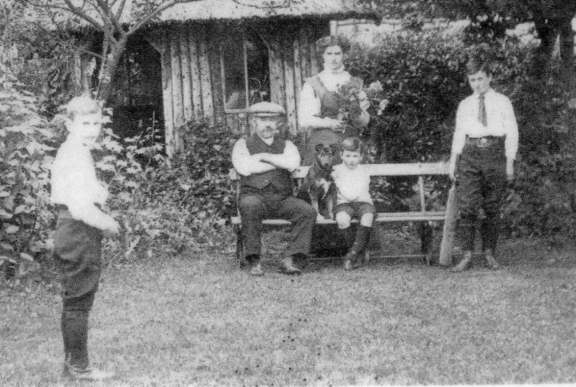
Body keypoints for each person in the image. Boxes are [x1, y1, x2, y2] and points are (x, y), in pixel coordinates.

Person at [51, 94, 120, 381]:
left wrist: (98, 193)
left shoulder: (75, 151)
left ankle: (73, 365)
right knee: (78, 301)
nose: (92, 129)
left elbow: (81, 192)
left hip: (72, 229)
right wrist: (108, 223)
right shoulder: (75, 154)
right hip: (77, 231)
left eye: (96, 123)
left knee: (76, 300)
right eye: (85, 123)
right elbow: (80, 207)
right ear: (70, 124)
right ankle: (79, 367)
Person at [448, 58, 518, 272]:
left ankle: (489, 253)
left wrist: (509, 162)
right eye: (472, 80)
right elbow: (459, 135)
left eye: (480, 78)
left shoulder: (503, 101)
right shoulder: (465, 104)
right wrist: (453, 163)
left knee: (492, 207)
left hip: (495, 154)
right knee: (467, 206)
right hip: (470, 154)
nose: (476, 84)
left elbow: (512, 132)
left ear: (489, 77)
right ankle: (467, 255)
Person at [231, 101, 316, 276]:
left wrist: (263, 157)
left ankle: (291, 259)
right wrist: (278, 162)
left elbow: (292, 164)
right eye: (262, 119)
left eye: (272, 119)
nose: (267, 124)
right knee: (249, 206)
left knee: (307, 211)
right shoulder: (242, 145)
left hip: (282, 199)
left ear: (278, 123)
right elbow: (245, 168)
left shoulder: (288, 145)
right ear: (254, 122)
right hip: (254, 196)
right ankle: (254, 261)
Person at [298, 35, 370, 165]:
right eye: (329, 53)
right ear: (323, 56)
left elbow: (362, 123)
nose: (333, 58)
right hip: (323, 142)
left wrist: (361, 113)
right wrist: (329, 123)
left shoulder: (354, 82)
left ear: (344, 55)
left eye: (337, 53)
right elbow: (304, 120)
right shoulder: (313, 83)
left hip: (350, 143)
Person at [332, 137, 375, 270]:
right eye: (348, 155)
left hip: (362, 202)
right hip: (344, 203)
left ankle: (352, 255)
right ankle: (359, 251)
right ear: (341, 155)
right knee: (342, 219)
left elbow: (355, 193)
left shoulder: (363, 170)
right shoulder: (336, 170)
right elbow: (343, 194)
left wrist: (338, 181)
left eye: (355, 156)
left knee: (368, 217)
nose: (351, 159)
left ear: (361, 157)